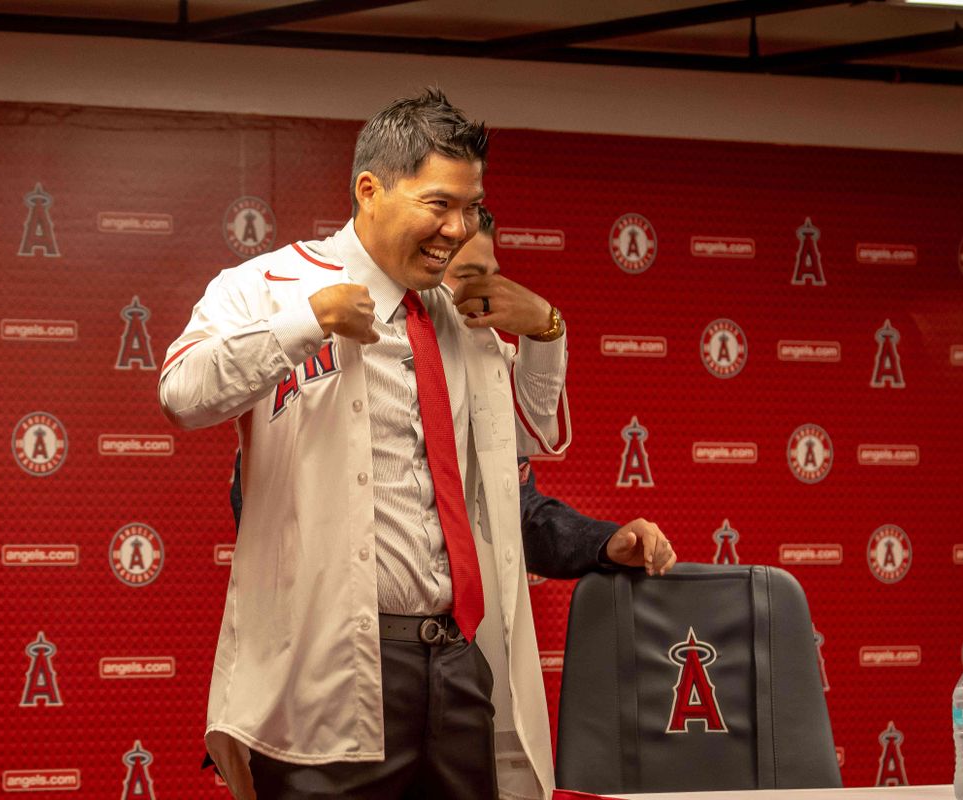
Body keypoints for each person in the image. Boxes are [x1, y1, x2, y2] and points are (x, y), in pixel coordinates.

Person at [161, 89, 566, 800]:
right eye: (439, 205)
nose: (458, 228)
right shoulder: (268, 284)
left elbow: (533, 436)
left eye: (470, 207)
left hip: (456, 660)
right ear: (370, 190)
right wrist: (302, 322)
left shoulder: (459, 311)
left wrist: (546, 330)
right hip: (332, 663)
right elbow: (183, 392)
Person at [444, 207, 677, 579]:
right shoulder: (388, 366)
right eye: (469, 277)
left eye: (495, 278)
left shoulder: (490, 367)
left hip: (469, 626)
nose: (490, 293)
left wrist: (607, 542)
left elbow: (523, 515)